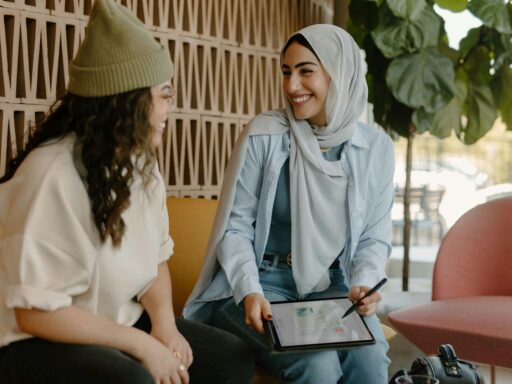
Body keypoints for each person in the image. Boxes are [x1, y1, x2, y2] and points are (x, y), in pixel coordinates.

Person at [0, 0, 254, 383]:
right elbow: (34, 312)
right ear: (128, 101)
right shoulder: (51, 173)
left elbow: (155, 263)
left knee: (229, 358)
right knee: (133, 378)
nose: (171, 107)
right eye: (165, 94)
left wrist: (166, 328)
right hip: (30, 339)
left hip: (112, 321)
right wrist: (140, 345)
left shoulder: (140, 164)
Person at [183, 24, 394, 384]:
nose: (291, 86)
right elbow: (235, 228)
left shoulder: (376, 148)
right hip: (262, 284)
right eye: (286, 72)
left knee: (370, 356)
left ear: (339, 74)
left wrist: (363, 283)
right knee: (318, 364)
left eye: (305, 71)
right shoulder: (265, 135)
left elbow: (374, 237)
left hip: (333, 285)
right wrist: (248, 289)